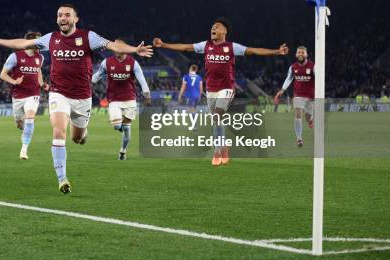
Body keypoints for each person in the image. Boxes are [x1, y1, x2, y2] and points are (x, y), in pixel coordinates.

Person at [0, 4, 153, 194]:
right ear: (56, 19)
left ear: (75, 19)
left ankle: (82, 133)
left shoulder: (88, 37)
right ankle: (62, 178)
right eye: (60, 15)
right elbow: (23, 44)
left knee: (77, 137)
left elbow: (114, 45)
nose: (63, 18)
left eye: (67, 15)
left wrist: (135, 50)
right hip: (58, 92)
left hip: (82, 97)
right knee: (58, 130)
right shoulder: (50, 38)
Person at [153, 17, 288, 166]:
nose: (213, 28)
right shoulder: (205, 45)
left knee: (217, 115)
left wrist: (277, 51)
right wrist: (163, 44)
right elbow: (185, 47)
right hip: (211, 89)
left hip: (226, 88)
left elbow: (254, 51)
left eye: (217, 27)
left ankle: (217, 151)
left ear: (224, 31)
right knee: (218, 121)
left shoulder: (232, 47)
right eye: (212, 27)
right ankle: (224, 146)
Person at [91, 40, 151, 160]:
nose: (115, 49)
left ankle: (123, 151)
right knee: (117, 125)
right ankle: (122, 127)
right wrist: (92, 76)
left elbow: (142, 80)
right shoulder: (106, 62)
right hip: (114, 99)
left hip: (130, 99)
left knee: (127, 129)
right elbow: (95, 78)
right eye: (114, 47)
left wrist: (147, 95)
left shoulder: (133, 63)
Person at [0, 31, 49, 160]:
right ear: (30, 42)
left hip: (33, 94)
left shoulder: (40, 57)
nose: (40, 43)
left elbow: (38, 71)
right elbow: (3, 75)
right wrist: (14, 81)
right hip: (18, 96)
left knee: (30, 117)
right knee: (20, 124)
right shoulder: (15, 57)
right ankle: (25, 131)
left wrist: (42, 84)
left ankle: (24, 150)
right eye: (38, 41)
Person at [274, 46, 315, 147]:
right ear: (296, 54)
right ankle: (299, 138)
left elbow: (319, 79)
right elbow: (289, 79)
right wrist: (282, 90)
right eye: (299, 52)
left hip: (310, 96)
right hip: (298, 95)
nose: (301, 54)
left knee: (308, 116)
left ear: (306, 54)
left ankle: (310, 120)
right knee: (298, 115)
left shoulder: (313, 66)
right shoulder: (293, 67)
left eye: (302, 52)